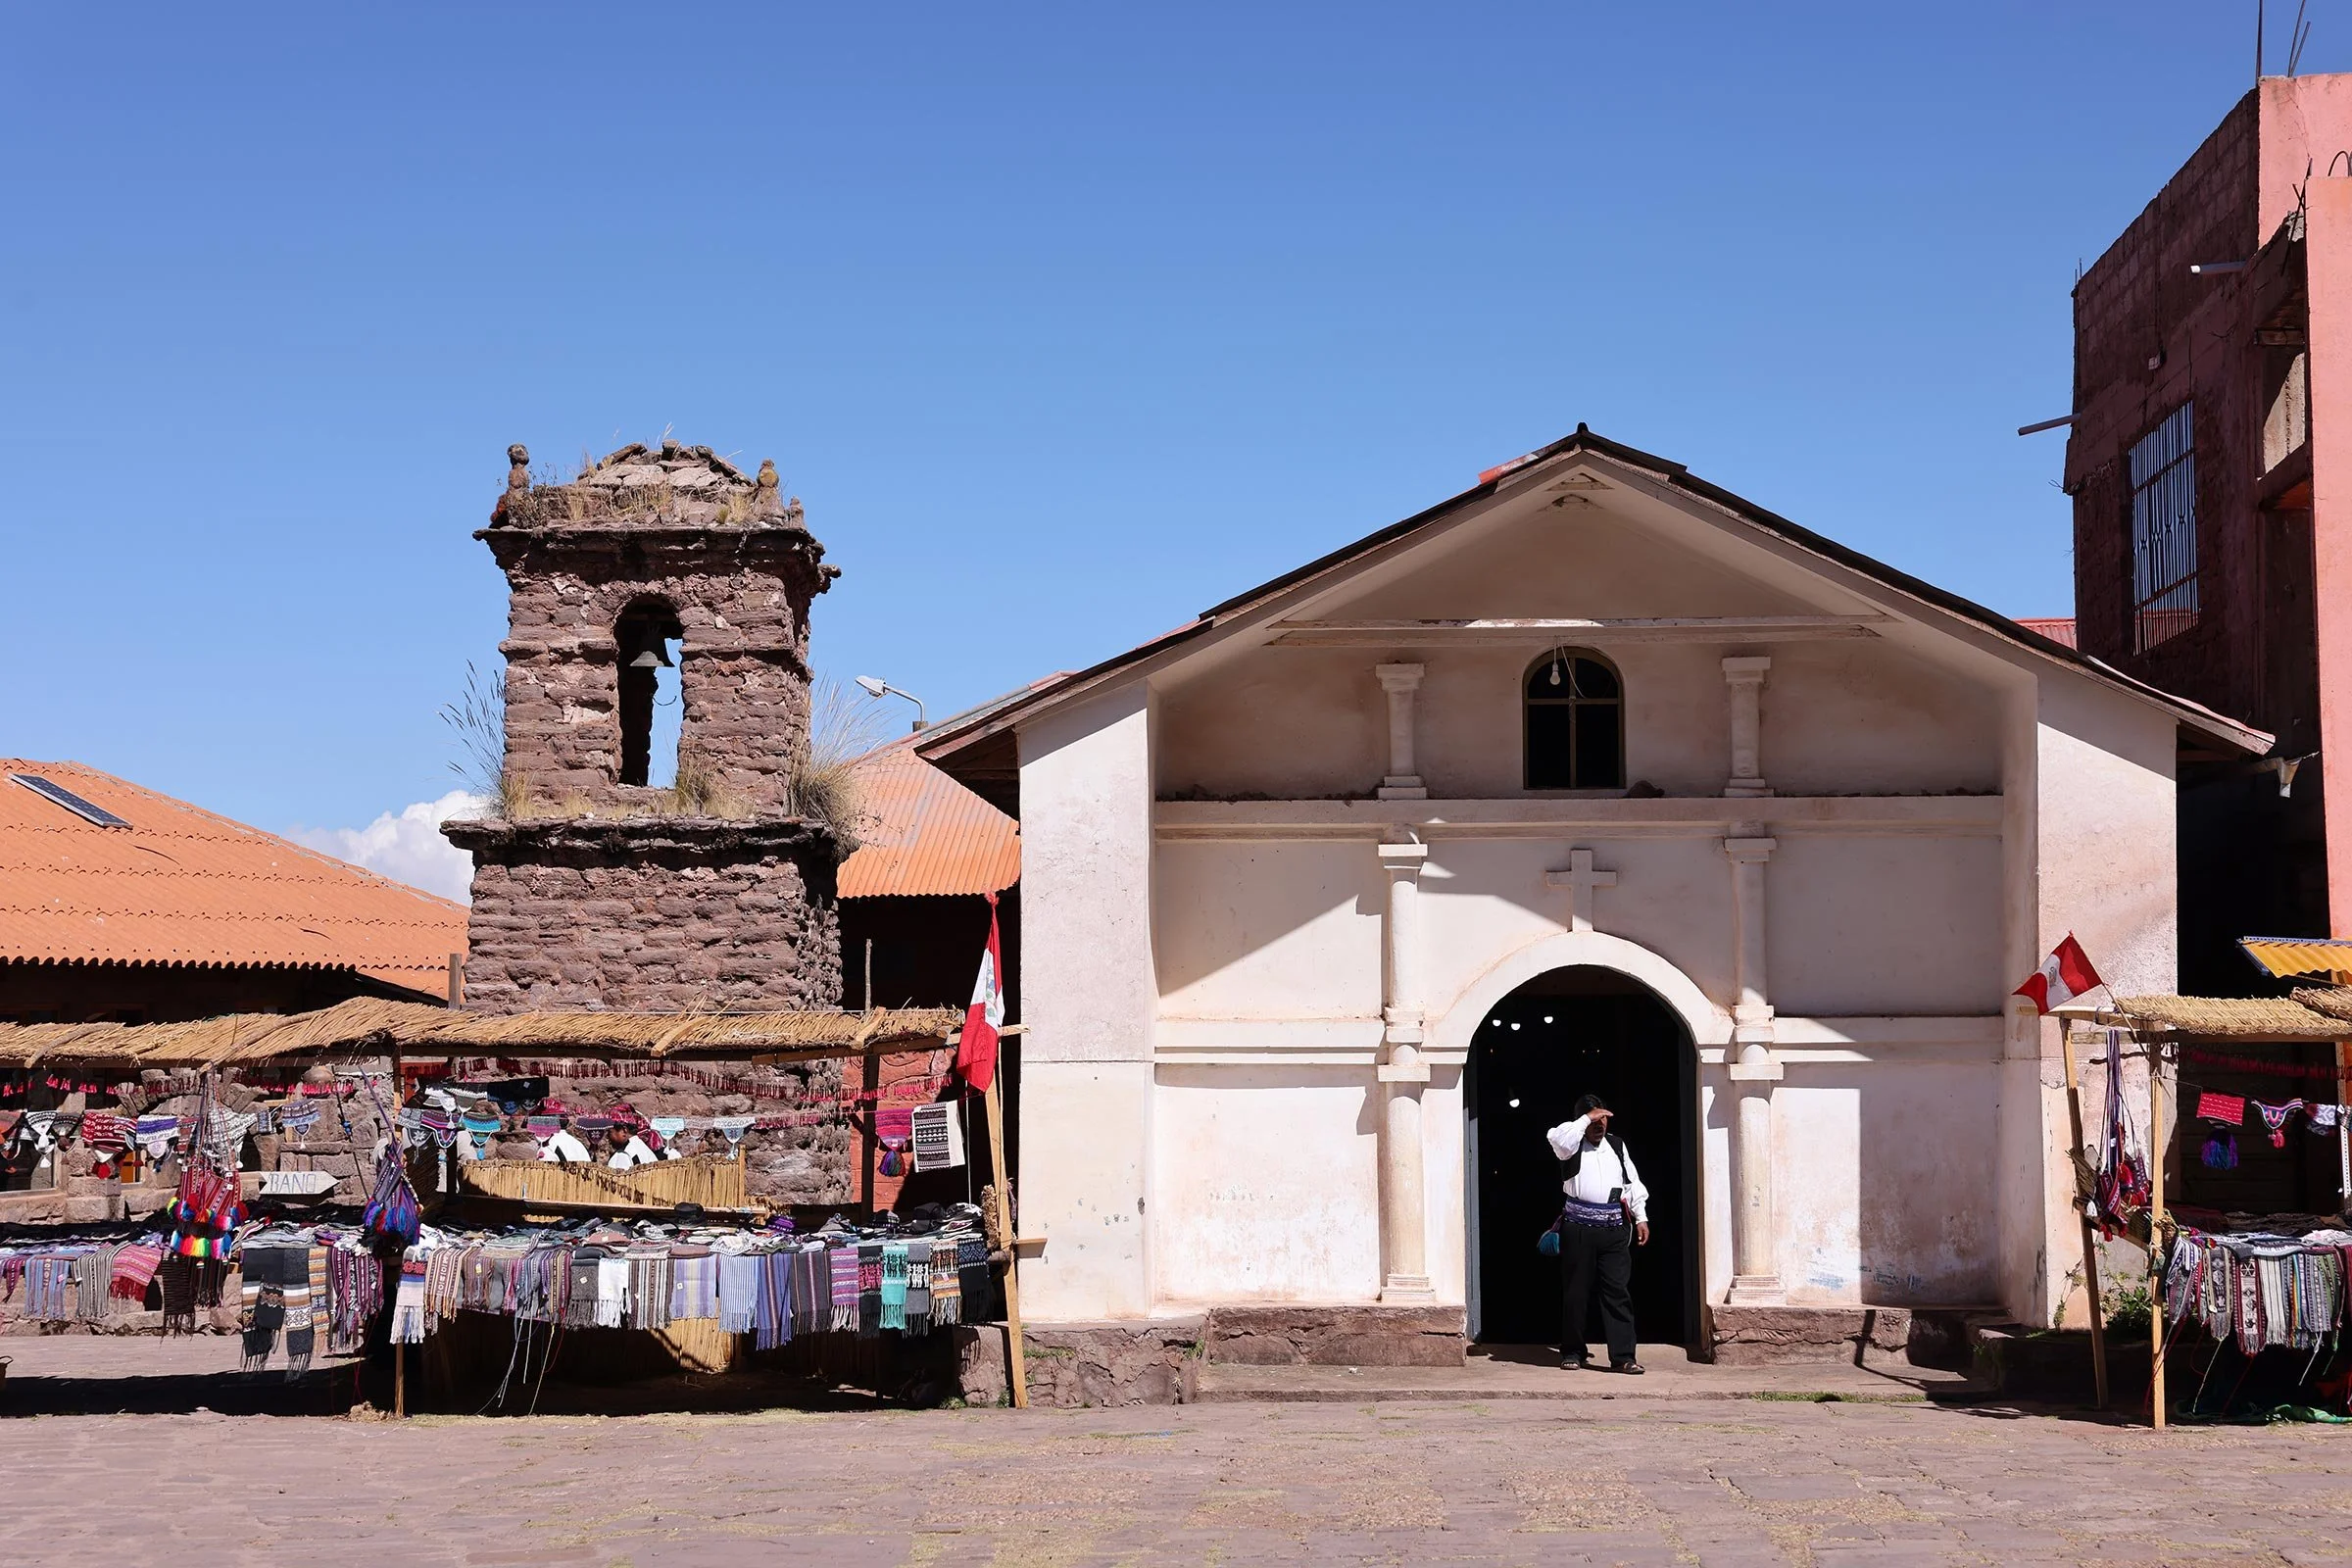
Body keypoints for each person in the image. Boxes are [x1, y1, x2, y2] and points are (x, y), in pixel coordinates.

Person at [1544, 1093, 1650, 1374]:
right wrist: (1584, 1119)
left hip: (1614, 1229)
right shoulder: (1569, 1146)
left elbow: (1632, 1183)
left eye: (1603, 1117)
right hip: (1579, 1228)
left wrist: (1641, 1217)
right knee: (1576, 1293)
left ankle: (1623, 1357)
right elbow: (1556, 1137)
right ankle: (1573, 1351)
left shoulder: (1616, 1146)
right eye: (1594, 1118)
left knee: (1617, 1292)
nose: (1599, 1123)